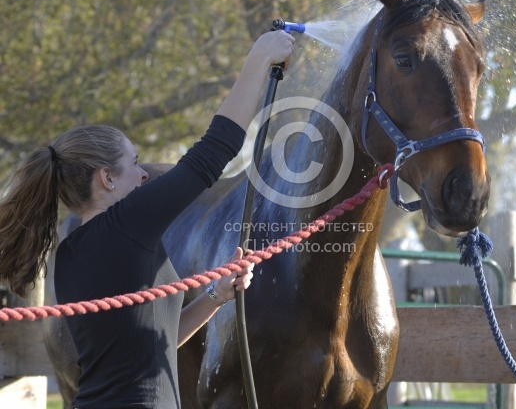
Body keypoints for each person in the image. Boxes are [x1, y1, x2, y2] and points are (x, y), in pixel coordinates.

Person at [0, 29, 295, 408]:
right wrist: (259, 57)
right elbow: (211, 154)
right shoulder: (126, 225)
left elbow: (155, 346)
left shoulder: (73, 251)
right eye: (134, 164)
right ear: (106, 178)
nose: (144, 175)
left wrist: (215, 297)